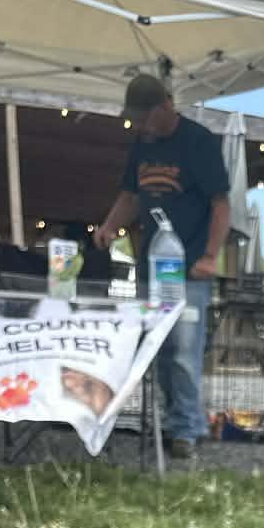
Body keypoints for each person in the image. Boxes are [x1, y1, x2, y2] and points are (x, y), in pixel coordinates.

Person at [97, 74, 231, 458]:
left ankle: (187, 429)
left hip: (189, 269)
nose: (137, 127)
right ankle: (166, 424)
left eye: (142, 119)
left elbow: (221, 205)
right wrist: (110, 225)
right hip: (151, 268)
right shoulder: (142, 144)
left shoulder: (199, 143)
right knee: (153, 350)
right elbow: (131, 194)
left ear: (164, 108)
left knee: (183, 351)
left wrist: (209, 256)